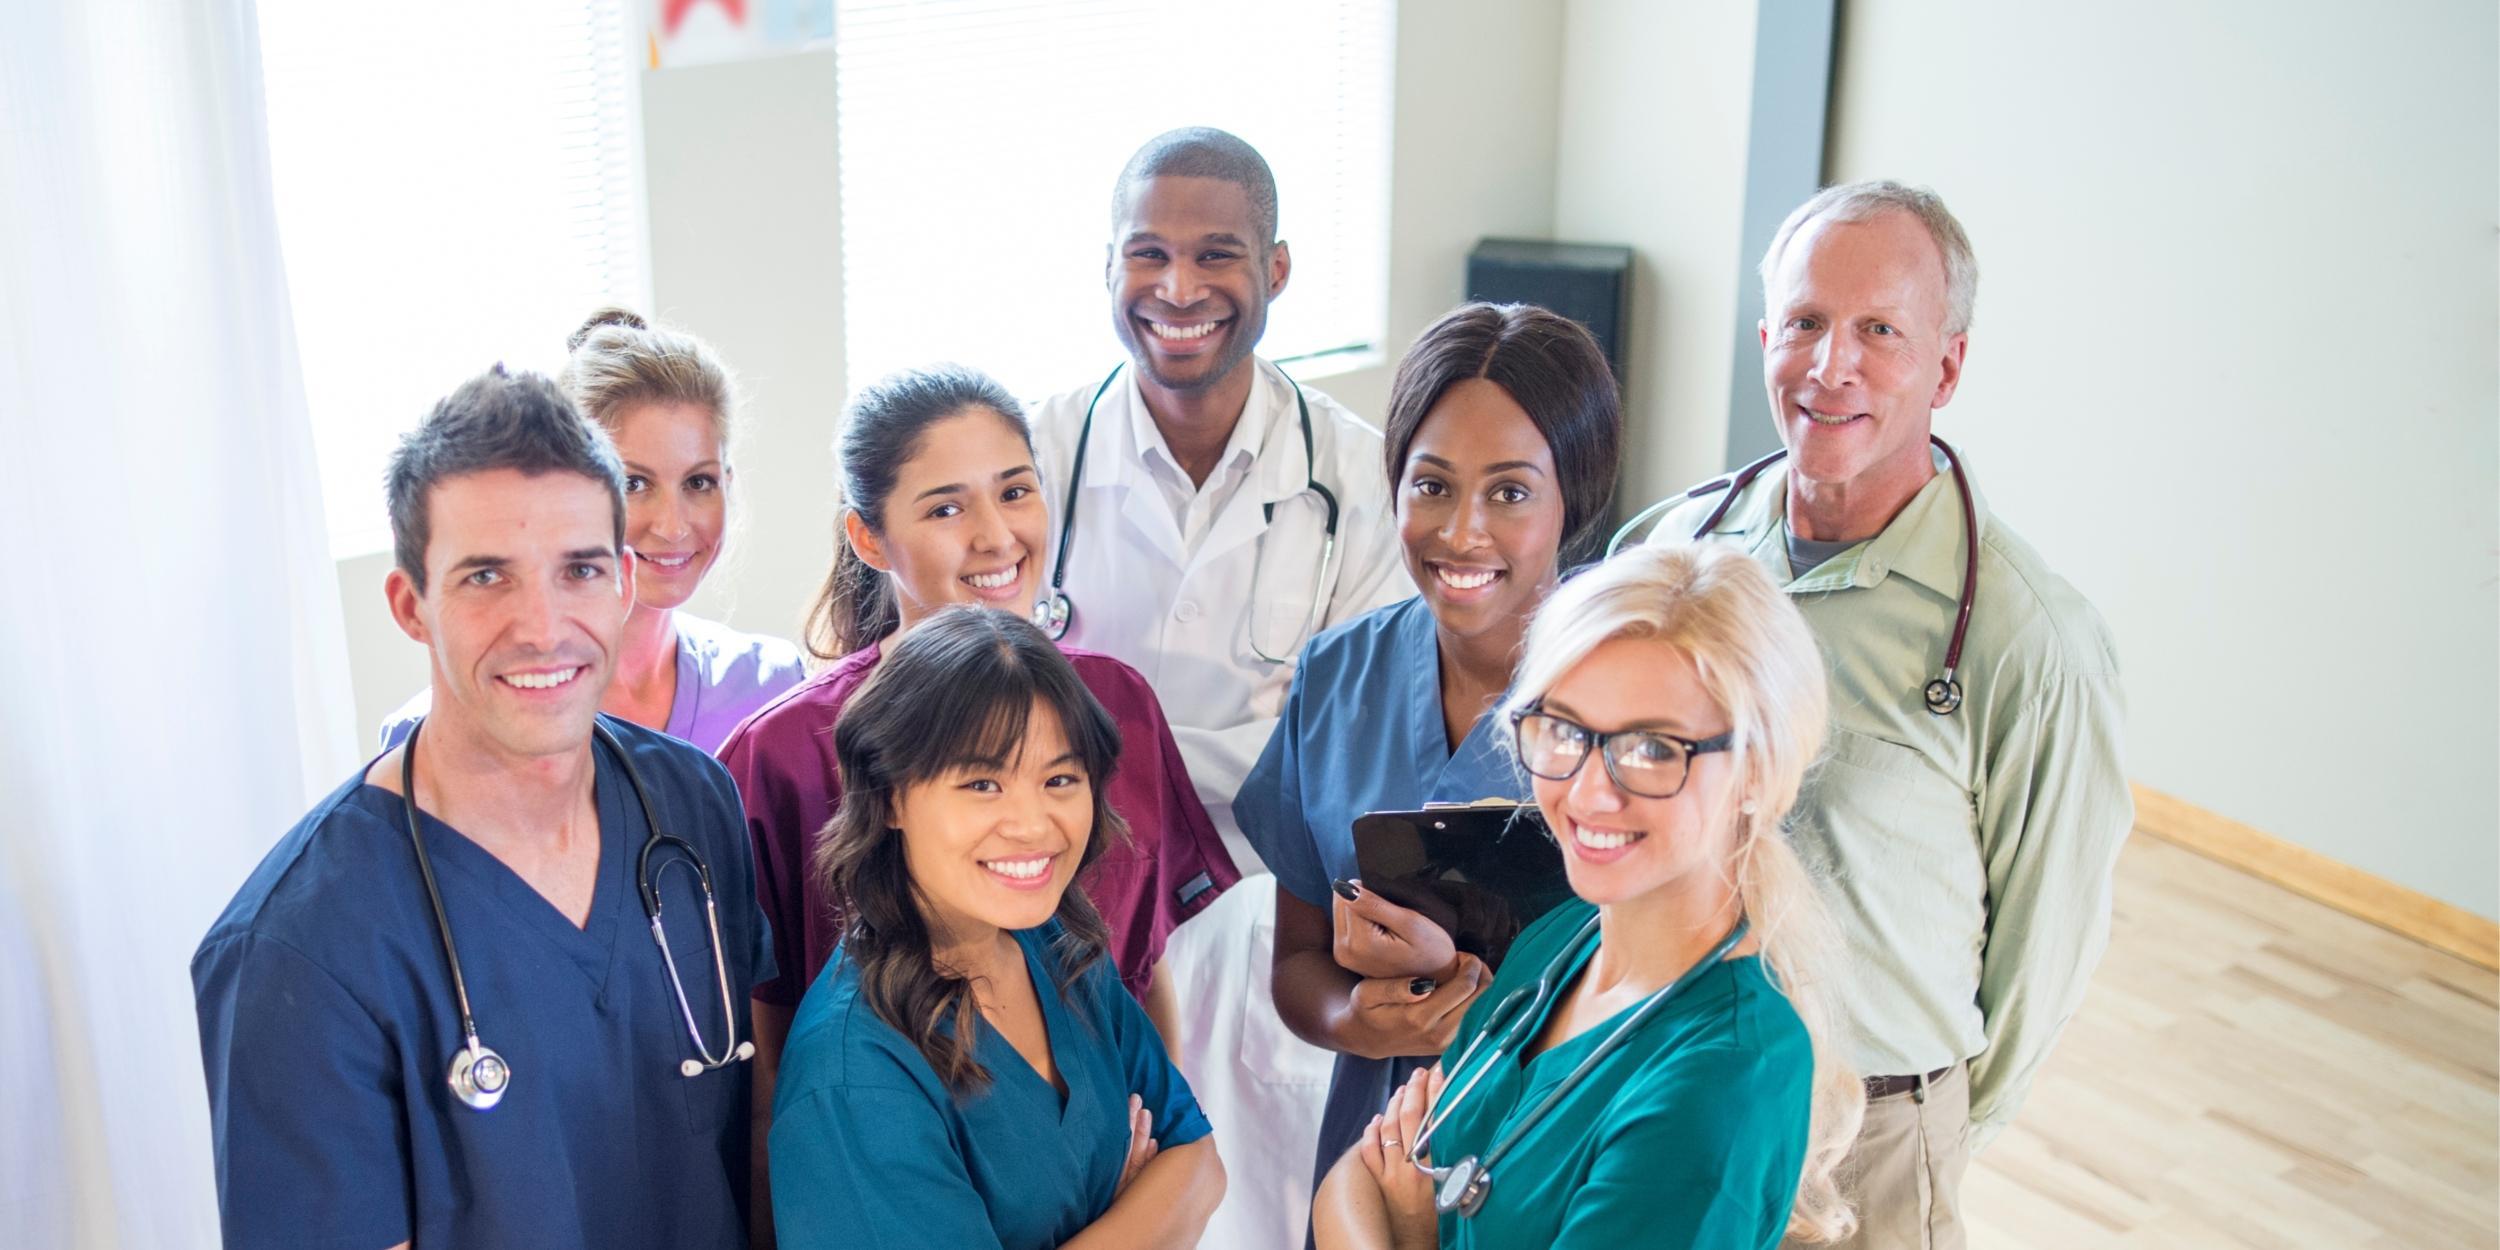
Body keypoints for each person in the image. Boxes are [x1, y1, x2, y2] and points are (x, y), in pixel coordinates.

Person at [1630, 180, 2131, 1249]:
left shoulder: (2028, 638)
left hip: (1873, 1137)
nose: (1829, 365)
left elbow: (2046, 951)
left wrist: (1927, 1131)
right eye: (1805, 322)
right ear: (1765, 336)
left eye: (1878, 332)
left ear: (1946, 365)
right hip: (1666, 1077)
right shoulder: (1672, 555)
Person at [193, 366, 772, 1249]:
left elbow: (759, 1142)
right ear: (410, 605)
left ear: (622, 582)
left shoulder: (693, 806)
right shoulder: (299, 950)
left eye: (577, 569)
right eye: (485, 577)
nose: (541, 626)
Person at [719, 365, 1238, 1236]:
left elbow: (1146, 985)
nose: (996, 537)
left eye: (1015, 491)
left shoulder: (1055, 940)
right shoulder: (777, 758)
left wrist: (1149, 1188)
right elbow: (773, 1072)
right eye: (946, 507)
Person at [1025, 126, 1409, 1249]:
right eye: (1145, 254)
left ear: (1275, 270)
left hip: (1273, 924)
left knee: (1272, 1205)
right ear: (1107, 267)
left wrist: (1128, 756)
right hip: (1073, 924)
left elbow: (1350, 750)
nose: (1177, 289)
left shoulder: (1355, 477)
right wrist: (1239, 747)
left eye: (1217, 254)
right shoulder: (1034, 455)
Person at [1312, 544, 1867, 1249]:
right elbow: (1351, 1180)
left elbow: (1384, 1192)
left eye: (1655, 748)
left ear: (1756, 773)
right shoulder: (1564, 938)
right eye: (1567, 730)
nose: (1589, 791)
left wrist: (1416, 1227)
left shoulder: (1725, 1076)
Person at [1241, 302, 1623, 1238]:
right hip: (1368, 1173)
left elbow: (1670, 987)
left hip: (1561, 1153)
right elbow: (1296, 962)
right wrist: (1357, 1022)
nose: (1461, 533)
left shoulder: (1631, 702)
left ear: (1574, 494)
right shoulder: (1338, 677)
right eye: (1432, 485)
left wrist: (1484, 1009)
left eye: (1511, 492)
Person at [768, 606, 1226, 1249]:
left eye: (1060, 779)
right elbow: (1180, 1194)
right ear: (890, 795)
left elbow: (1201, 1166)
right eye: (983, 783)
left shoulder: (1058, 950)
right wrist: (1142, 1222)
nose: (1034, 824)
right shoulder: (855, 1076)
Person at [382, 309, 804, 755]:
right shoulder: (427, 739)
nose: (673, 526)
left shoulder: (772, 685)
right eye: (634, 484)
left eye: (699, 483)